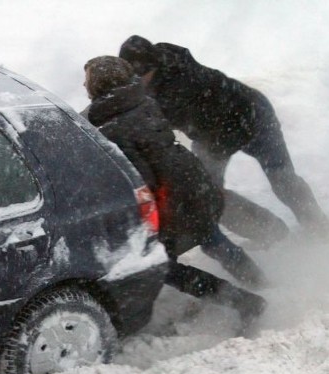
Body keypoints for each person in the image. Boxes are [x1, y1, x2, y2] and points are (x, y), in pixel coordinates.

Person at [83, 55, 266, 334]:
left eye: (87, 79)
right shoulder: (140, 102)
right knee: (210, 236)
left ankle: (245, 302)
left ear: (98, 85)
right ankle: (260, 281)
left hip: (173, 202)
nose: (83, 84)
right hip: (193, 184)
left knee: (163, 266)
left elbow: (142, 180)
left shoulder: (112, 126)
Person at [119, 35, 329, 247]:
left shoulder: (179, 88)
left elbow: (155, 122)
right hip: (214, 133)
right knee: (206, 194)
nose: (136, 85)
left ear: (150, 68)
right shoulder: (162, 61)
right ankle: (271, 233)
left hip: (254, 120)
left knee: (282, 179)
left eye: (139, 79)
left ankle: (321, 229)